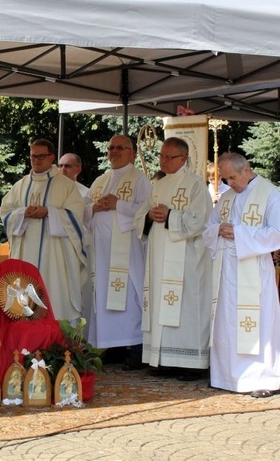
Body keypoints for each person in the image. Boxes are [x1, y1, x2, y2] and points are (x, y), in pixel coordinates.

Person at [134, 137, 213, 381]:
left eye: (169, 157)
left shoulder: (196, 185)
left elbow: (200, 220)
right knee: (160, 302)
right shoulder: (157, 185)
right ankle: (163, 359)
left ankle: (191, 363)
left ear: (183, 159)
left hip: (187, 259)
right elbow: (141, 215)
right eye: (162, 157)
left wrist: (170, 215)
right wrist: (149, 215)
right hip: (159, 256)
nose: (163, 161)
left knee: (186, 306)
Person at [203, 153, 280, 398]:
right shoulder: (226, 198)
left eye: (232, 177)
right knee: (227, 322)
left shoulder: (270, 194)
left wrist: (240, 233)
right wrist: (218, 230)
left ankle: (263, 378)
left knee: (257, 324)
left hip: (255, 272)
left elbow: (277, 233)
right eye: (226, 178)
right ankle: (227, 376)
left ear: (246, 169)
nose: (229, 183)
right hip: (226, 272)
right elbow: (207, 228)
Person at [0, 138, 86, 322]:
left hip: (53, 256)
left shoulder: (66, 185)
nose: (36, 160)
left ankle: (55, 344)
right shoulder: (20, 185)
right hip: (25, 253)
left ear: (51, 157)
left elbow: (76, 216)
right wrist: (23, 213)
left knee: (53, 297)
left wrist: (49, 213)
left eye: (41, 156)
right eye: (33, 157)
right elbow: (6, 212)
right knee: (25, 303)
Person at [84, 135, 151, 369]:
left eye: (119, 148)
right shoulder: (100, 180)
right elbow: (82, 210)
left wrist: (118, 205)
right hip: (101, 251)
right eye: (110, 147)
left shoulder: (140, 179)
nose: (114, 152)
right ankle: (112, 345)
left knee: (129, 296)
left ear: (131, 153)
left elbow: (147, 211)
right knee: (103, 296)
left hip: (127, 249)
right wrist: (94, 207)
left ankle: (135, 347)